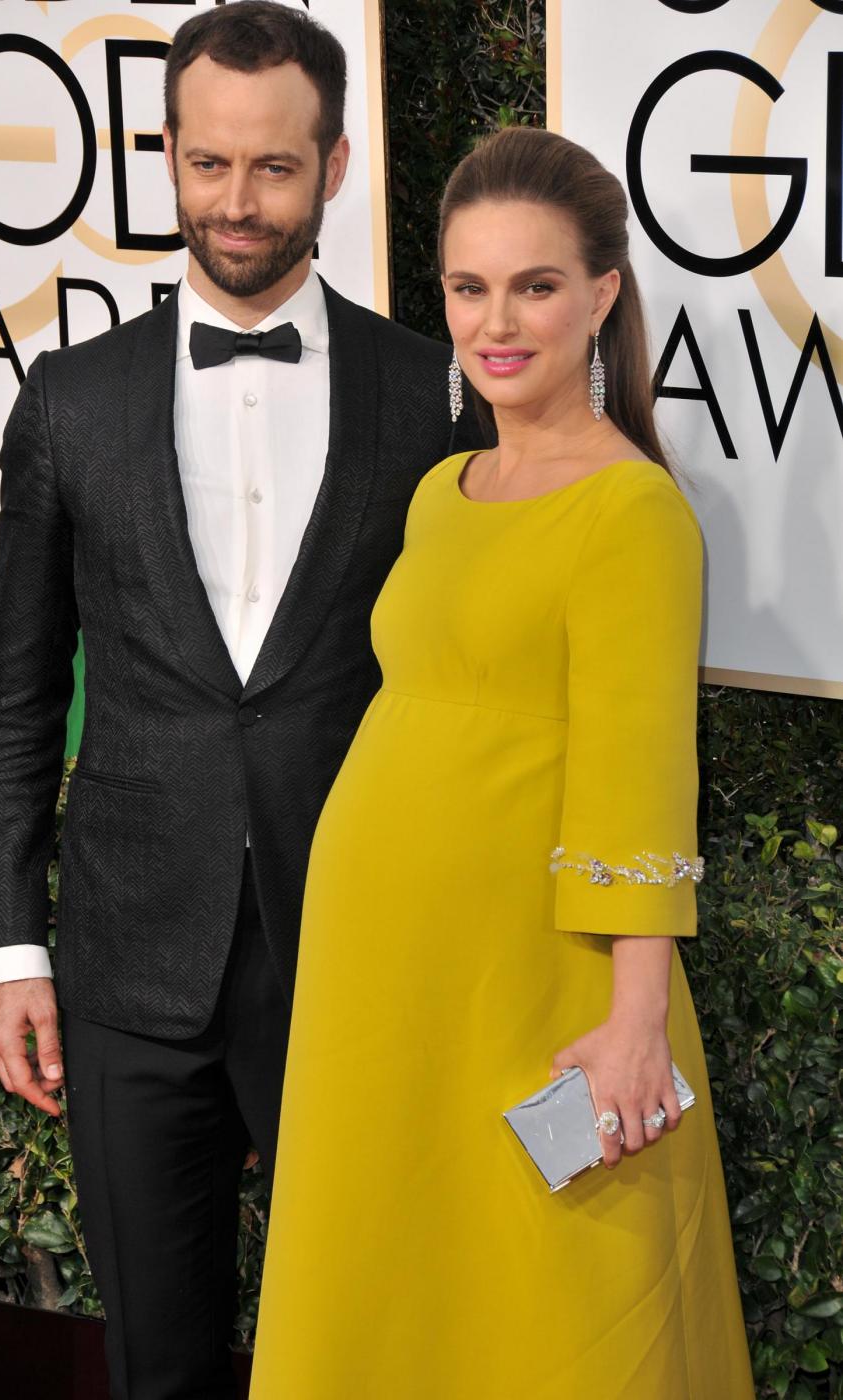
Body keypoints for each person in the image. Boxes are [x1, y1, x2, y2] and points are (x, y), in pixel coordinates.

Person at [0, 5, 475, 1397]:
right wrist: (11, 947)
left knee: (365, 1352)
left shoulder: (430, 392)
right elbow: (17, 690)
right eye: (208, 163)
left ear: (334, 164)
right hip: (130, 955)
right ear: (168, 156)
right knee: (161, 1365)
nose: (237, 201)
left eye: (273, 166)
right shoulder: (68, 400)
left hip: (356, 947)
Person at [249, 126, 755, 1400]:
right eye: (470, 287)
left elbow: (642, 776)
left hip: (533, 972)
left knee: (542, 1297)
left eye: (536, 285)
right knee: (392, 1282)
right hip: (379, 973)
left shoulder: (633, 512)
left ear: (601, 293)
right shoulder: (443, 490)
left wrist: (637, 1016)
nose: (497, 322)